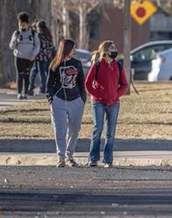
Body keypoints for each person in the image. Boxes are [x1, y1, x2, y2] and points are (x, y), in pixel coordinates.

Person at [85, 41, 128, 168]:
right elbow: (87, 84)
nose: (115, 50)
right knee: (97, 129)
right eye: (112, 48)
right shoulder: (97, 65)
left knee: (110, 133)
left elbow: (124, 84)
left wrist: (116, 95)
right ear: (105, 51)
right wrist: (97, 95)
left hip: (114, 103)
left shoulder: (118, 65)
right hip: (98, 102)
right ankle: (93, 159)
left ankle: (108, 160)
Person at [46, 39, 86, 168]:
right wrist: (51, 98)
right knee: (60, 130)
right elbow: (49, 84)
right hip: (59, 101)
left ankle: (70, 156)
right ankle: (61, 157)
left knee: (74, 130)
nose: (74, 50)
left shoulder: (77, 64)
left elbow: (81, 82)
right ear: (66, 49)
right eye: (73, 48)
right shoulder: (55, 64)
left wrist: (82, 99)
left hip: (76, 101)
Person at [9, 12, 40, 99]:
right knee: (20, 75)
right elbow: (11, 46)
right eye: (20, 25)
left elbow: (37, 45)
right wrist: (15, 39)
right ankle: (19, 93)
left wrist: (34, 54)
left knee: (27, 75)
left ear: (27, 24)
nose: (21, 27)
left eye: (23, 25)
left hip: (29, 58)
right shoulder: (16, 33)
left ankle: (25, 93)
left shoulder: (33, 34)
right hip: (19, 57)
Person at [29, 20, 56, 96]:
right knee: (45, 73)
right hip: (48, 58)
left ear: (38, 27)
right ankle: (49, 88)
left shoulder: (38, 35)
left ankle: (42, 90)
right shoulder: (48, 34)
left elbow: (37, 46)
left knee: (41, 74)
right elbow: (51, 46)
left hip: (40, 58)